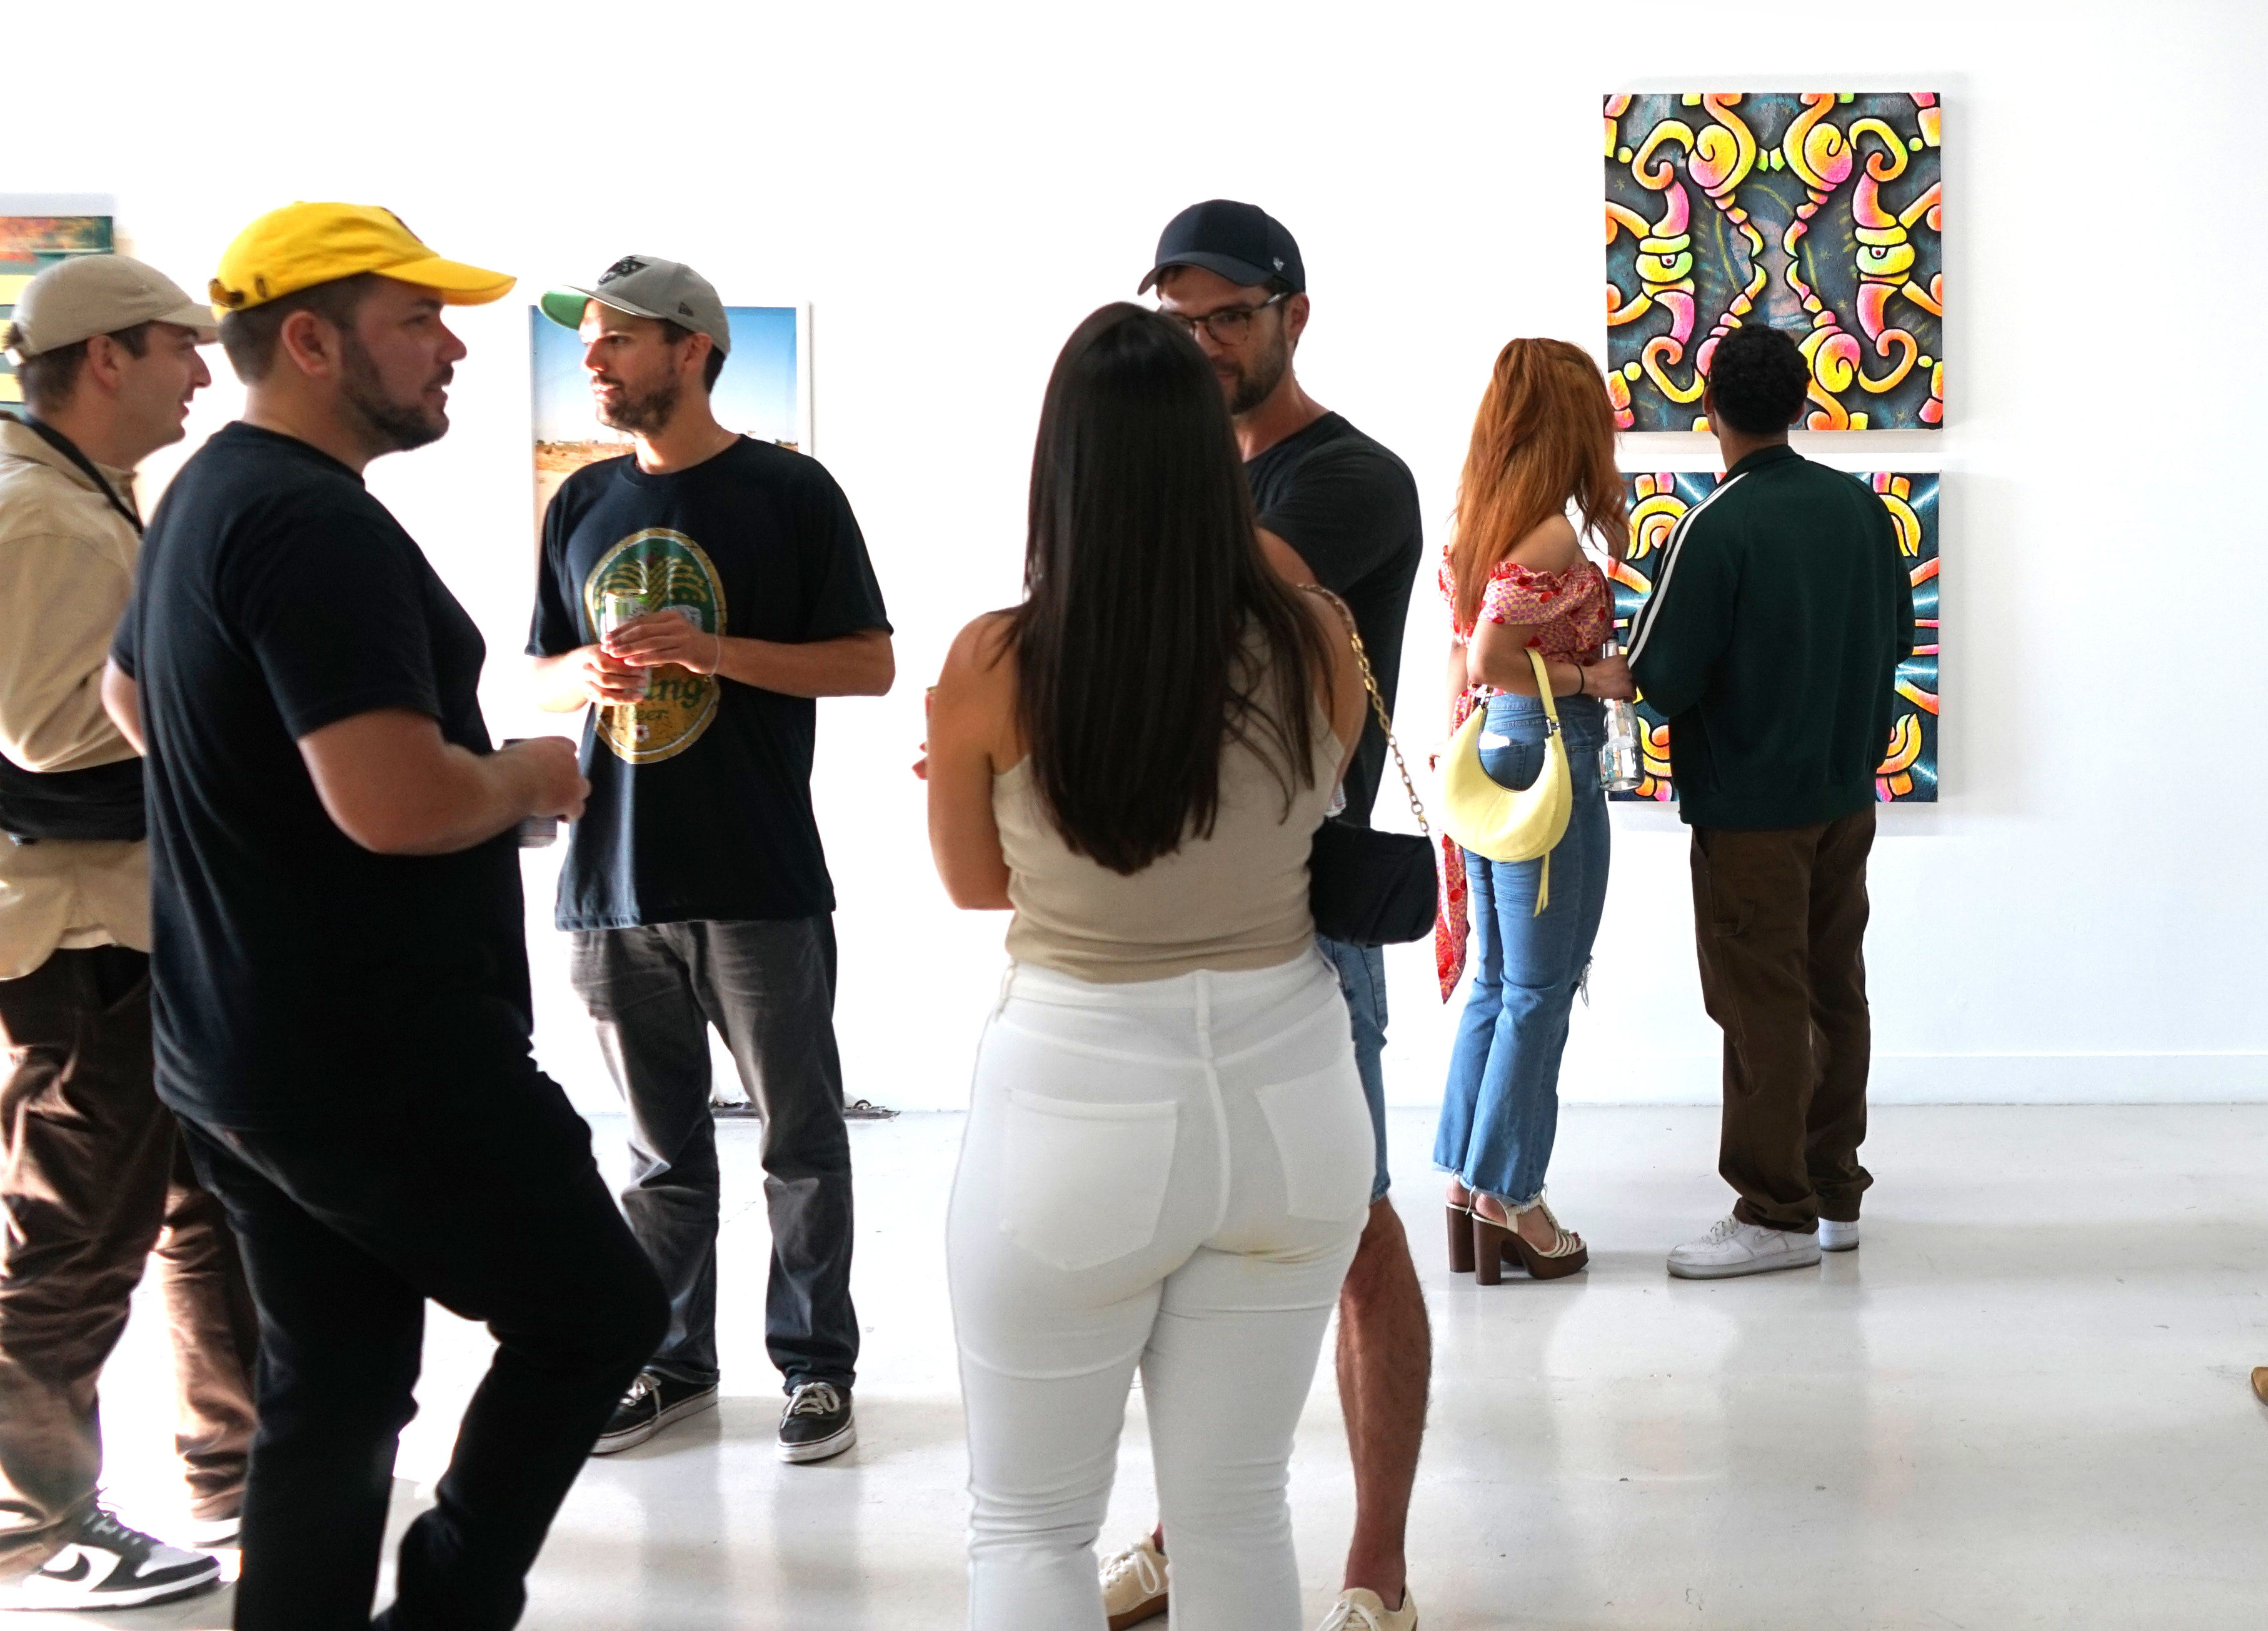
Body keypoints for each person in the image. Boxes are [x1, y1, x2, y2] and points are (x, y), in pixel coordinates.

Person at [103, 203, 660, 1631]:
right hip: (376, 1056)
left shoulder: (205, 493)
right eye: (415, 318)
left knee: (335, 1390)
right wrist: (531, 773)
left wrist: (256, 794)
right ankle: (450, 1603)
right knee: (593, 1309)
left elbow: (129, 699)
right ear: (309, 337)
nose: (452, 345)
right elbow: (397, 805)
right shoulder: (308, 522)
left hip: (237, 1046)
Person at [925, 303, 1372, 1631]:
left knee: (1031, 1522)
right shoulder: (1318, 641)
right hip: (1294, 1092)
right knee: (1240, 1505)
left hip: (1075, 1096)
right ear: (1210, 458)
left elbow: (972, 882)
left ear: (1062, 466)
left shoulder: (995, 661)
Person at [1113, 201, 1427, 1631]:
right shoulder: (1168, 481)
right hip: (1169, 903)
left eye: (1228, 315)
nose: (1202, 344)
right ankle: (1187, 1529)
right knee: (1189, 1236)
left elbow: (1220, 609)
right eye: (1178, 324)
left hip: (1309, 912)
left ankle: (1379, 1565)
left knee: (1347, 1232)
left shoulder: (1352, 478)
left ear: (1293, 312)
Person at [525, 256, 894, 1467]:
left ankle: (817, 1365)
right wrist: (589, 672)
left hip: (758, 874)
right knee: (655, 1153)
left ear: (691, 349)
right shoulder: (578, 506)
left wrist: (718, 651)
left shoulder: (792, 492)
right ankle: (671, 1358)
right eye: (591, 340)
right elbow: (543, 664)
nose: (594, 357)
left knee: (799, 1136)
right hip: (611, 880)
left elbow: (869, 662)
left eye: (618, 337)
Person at [0, 256, 253, 1610]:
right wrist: (254, 760)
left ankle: (233, 1456)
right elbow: (45, 757)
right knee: (72, 1237)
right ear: (106, 357)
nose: (203, 372)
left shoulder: (76, 494)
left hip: (133, 925)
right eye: (180, 348)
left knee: (195, 1199)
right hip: (86, 937)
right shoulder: (42, 517)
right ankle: (32, 1532)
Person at [1623, 320, 1917, 1280]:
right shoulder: (1864, 513)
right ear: (1803, 405)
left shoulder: (1719, 524)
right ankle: (1833, 1193)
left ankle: (1772, 1212)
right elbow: (1897, 641)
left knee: (1760, 1004)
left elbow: (1656, 675)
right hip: (1847, 796)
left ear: (1709, 409)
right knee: (1836, 990)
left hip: (1751, 808)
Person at [1430, 339, 1630, 1284]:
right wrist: (1596, 674)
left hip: (1495, 753)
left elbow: (1467, 664)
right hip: (1550, 752)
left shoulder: (1484, 519)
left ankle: (1470, 1187)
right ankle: (1513, 1196)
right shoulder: (1547, 535)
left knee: (1501, 985)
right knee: (1540, 991)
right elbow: (1491, 656)